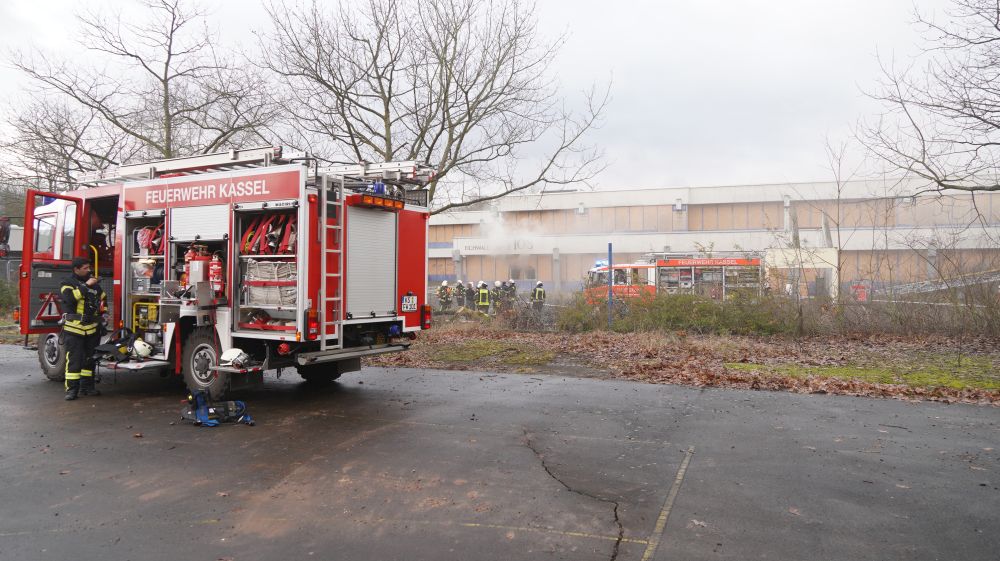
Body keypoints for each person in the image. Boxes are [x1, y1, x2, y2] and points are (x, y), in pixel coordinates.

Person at [60, 257, 106, 400]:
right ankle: (72, 390)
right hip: (74, 328)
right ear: (76, 269)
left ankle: (87, 387)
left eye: (89, 267)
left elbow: (103, 299)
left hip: (92, 329)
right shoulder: (67, 283)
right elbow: (70, 298)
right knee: (74, 360)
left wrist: (104, 314)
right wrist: (86, 285)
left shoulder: (95, 285)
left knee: (90, 360)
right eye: (85, 268)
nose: (88, 270)